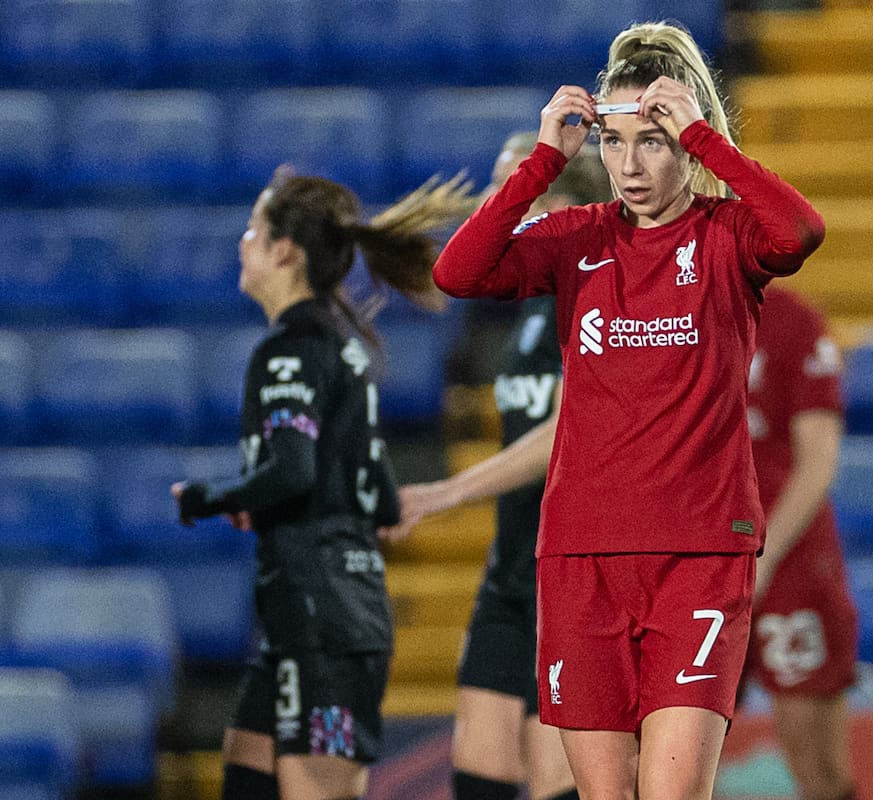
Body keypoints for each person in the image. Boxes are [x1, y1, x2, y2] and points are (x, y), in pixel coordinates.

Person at [430, 19, 825, 800]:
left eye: (653, 141)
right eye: (615, 144)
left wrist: (714, 146)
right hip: (583, 559)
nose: (631, 166)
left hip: (700, 557)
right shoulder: (579, 238)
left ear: (686, 138)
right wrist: (546, 157)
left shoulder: (728, 238)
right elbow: (458, 271)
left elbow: (801, 229)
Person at [171, 167, 473, 800]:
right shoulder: (344, 347)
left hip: (320, 620)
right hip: (318, 618)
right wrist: (282, 499)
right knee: (244, 777)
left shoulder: (287, 350)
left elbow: (292, 468)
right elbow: (381, 498)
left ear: (286, 250)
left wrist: (209, 497)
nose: (243, 242)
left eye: (254, 229)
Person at [391, 133, 608, 800]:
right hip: (513, 564)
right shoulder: (531, 308)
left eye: (510, 181)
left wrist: (448, 491)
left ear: (564, 200)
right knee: (478, 771)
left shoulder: (596, 289)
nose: (494, 196)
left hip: (572, 568)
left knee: (554, 778)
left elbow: (565, 434)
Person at [742, 284, 858, 800]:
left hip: (784, 560)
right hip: (694, 556)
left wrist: (763, 556)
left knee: (816, 766)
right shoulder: (660, 319)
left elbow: (817, 463)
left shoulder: (793, 323)